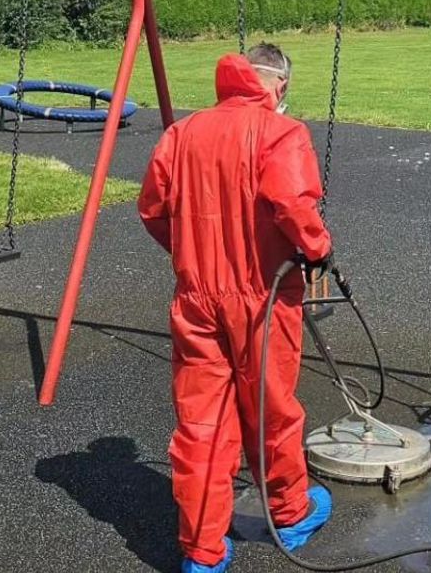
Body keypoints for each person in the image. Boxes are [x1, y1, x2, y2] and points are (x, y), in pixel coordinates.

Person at [138, 43, 335, 573]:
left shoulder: (183, 133)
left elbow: (154, 210)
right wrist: (318, 249)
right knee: (271, 410)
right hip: (262, 297)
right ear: (279, 84)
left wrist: (192, 255)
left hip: (197, 298)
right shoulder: (280, 132)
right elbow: (293, 204)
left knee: (201, 423)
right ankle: (291, 513)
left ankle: (202, 553)